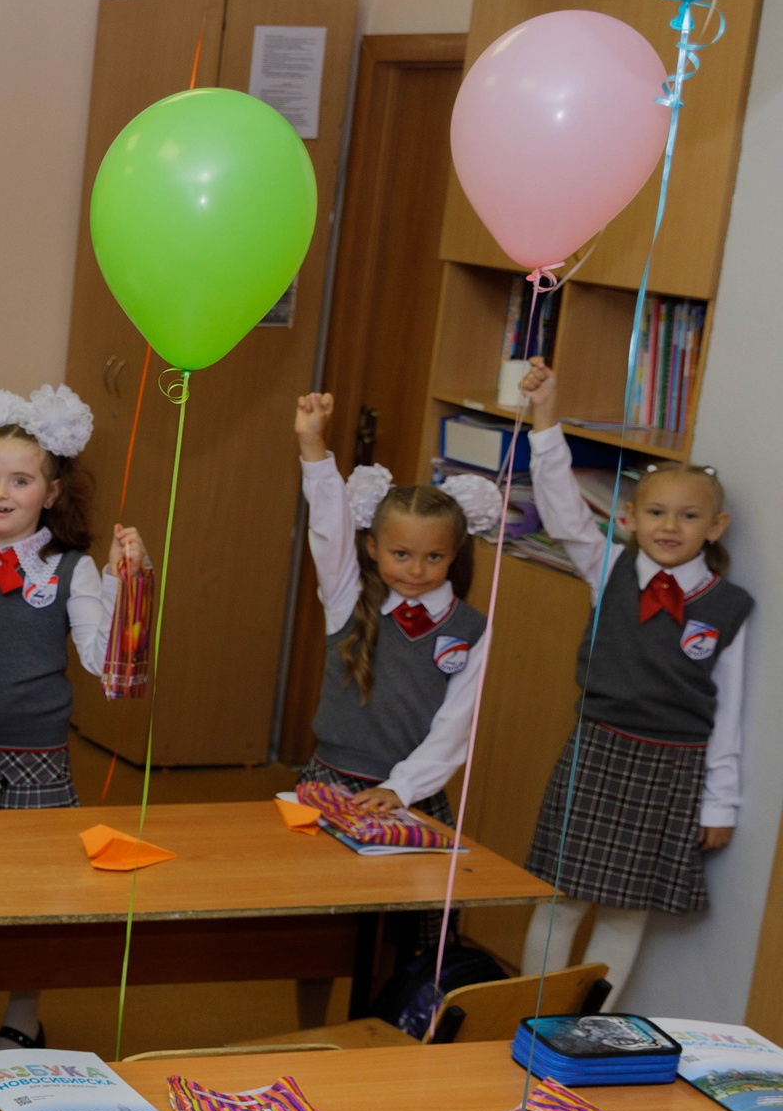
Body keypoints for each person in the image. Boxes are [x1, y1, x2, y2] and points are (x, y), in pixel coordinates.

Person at [0, 386, 145, 1054]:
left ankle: (21, 1016)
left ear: (52, 491)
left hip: (36, 761)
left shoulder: (73, 571)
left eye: (20, 479)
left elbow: (107, 664)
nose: (0, 491)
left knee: (29, 899)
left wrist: (131, 585)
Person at [519, 359, 751, 1007]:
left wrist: (719, 805)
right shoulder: (609, 566)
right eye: (656, 512)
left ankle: (585, 1027)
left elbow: (725, 713)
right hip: (598, 752)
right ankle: (530, 1011)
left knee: (627, 913)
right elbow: (563, 511)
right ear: (629, 517)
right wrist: (545, 419)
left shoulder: (726, 607)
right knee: (562, 898)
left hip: (672, 771)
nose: (669, 527)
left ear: (715, 526)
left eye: (687, 516)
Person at [293, 393, 502, 821]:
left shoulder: (470, 628)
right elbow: (329, 528)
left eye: (434, 557)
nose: (417, 570)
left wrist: (401, 788)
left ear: (455, 554)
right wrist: (312, 446)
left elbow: (455, 725)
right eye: (401, 554)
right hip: (329, 781)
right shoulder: (346, 598)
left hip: (409, 794)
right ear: (373, 547)